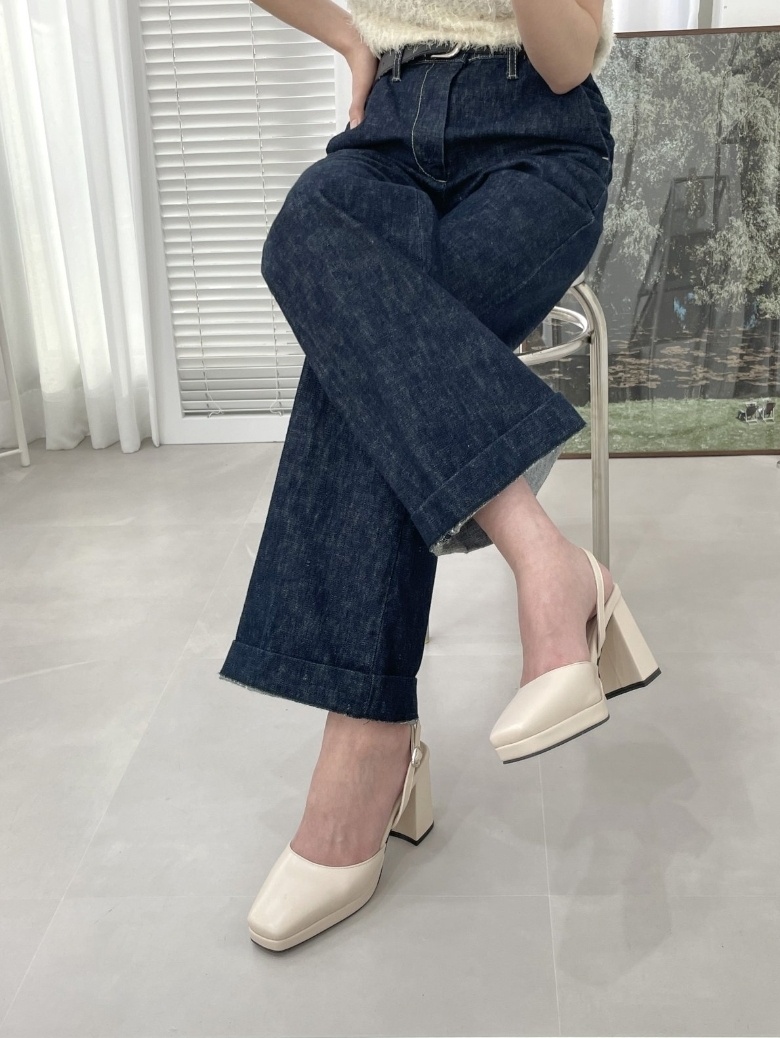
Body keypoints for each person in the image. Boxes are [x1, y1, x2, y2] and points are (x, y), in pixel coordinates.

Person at [219, 0, 660, 952]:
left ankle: (369, 741)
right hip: (386, 128)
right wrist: (349, 38)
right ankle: (548, 561)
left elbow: (567, 59)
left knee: (366, 343)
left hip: (535, 137)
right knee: (303, 235)